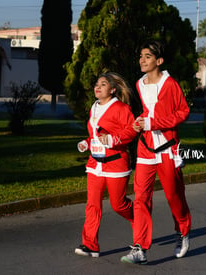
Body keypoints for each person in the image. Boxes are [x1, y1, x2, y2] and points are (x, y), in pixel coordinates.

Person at [120, 40, 191, 264]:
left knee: (174, 196)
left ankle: (182, 231)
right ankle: (140, 248)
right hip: (145, 148)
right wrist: (143, 122)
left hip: (168, 148)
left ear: (159, 61)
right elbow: (149, 110)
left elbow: (183, 112)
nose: (142, 60)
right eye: (141, 56)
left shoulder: (170, 84)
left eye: (148, 56)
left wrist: (154, 123)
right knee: (141, 198)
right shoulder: (139, 84)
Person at [74, 72, 138, 258]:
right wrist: (86, 142)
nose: (98, 87)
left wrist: (112, 139)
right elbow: (95, 135)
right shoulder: (94, 107)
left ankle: (140, 220)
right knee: (92, 205)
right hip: (95, 164)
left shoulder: (121, 108)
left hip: (116, 164)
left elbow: (131, 132)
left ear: (112, 89)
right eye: (97, 84)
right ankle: (90, 245)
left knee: (119, 205)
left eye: (103, 84)